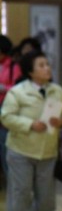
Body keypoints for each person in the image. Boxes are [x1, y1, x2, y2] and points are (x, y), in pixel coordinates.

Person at [1, 50, 62, 211]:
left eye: (47, 64)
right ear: (30, 71)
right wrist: (30, 124)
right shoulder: (17, 92)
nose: (47, 68)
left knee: (46, 196)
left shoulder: (57, 91)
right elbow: (6, 117)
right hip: (21, 150)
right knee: (21, 192)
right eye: (41, 65)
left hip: (47, 151)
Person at [0, 35, 22, 188]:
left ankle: (12, 184)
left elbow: (19, 88)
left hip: (6, 109)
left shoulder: (13, 66)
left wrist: (3, 88)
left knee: (5, 146)